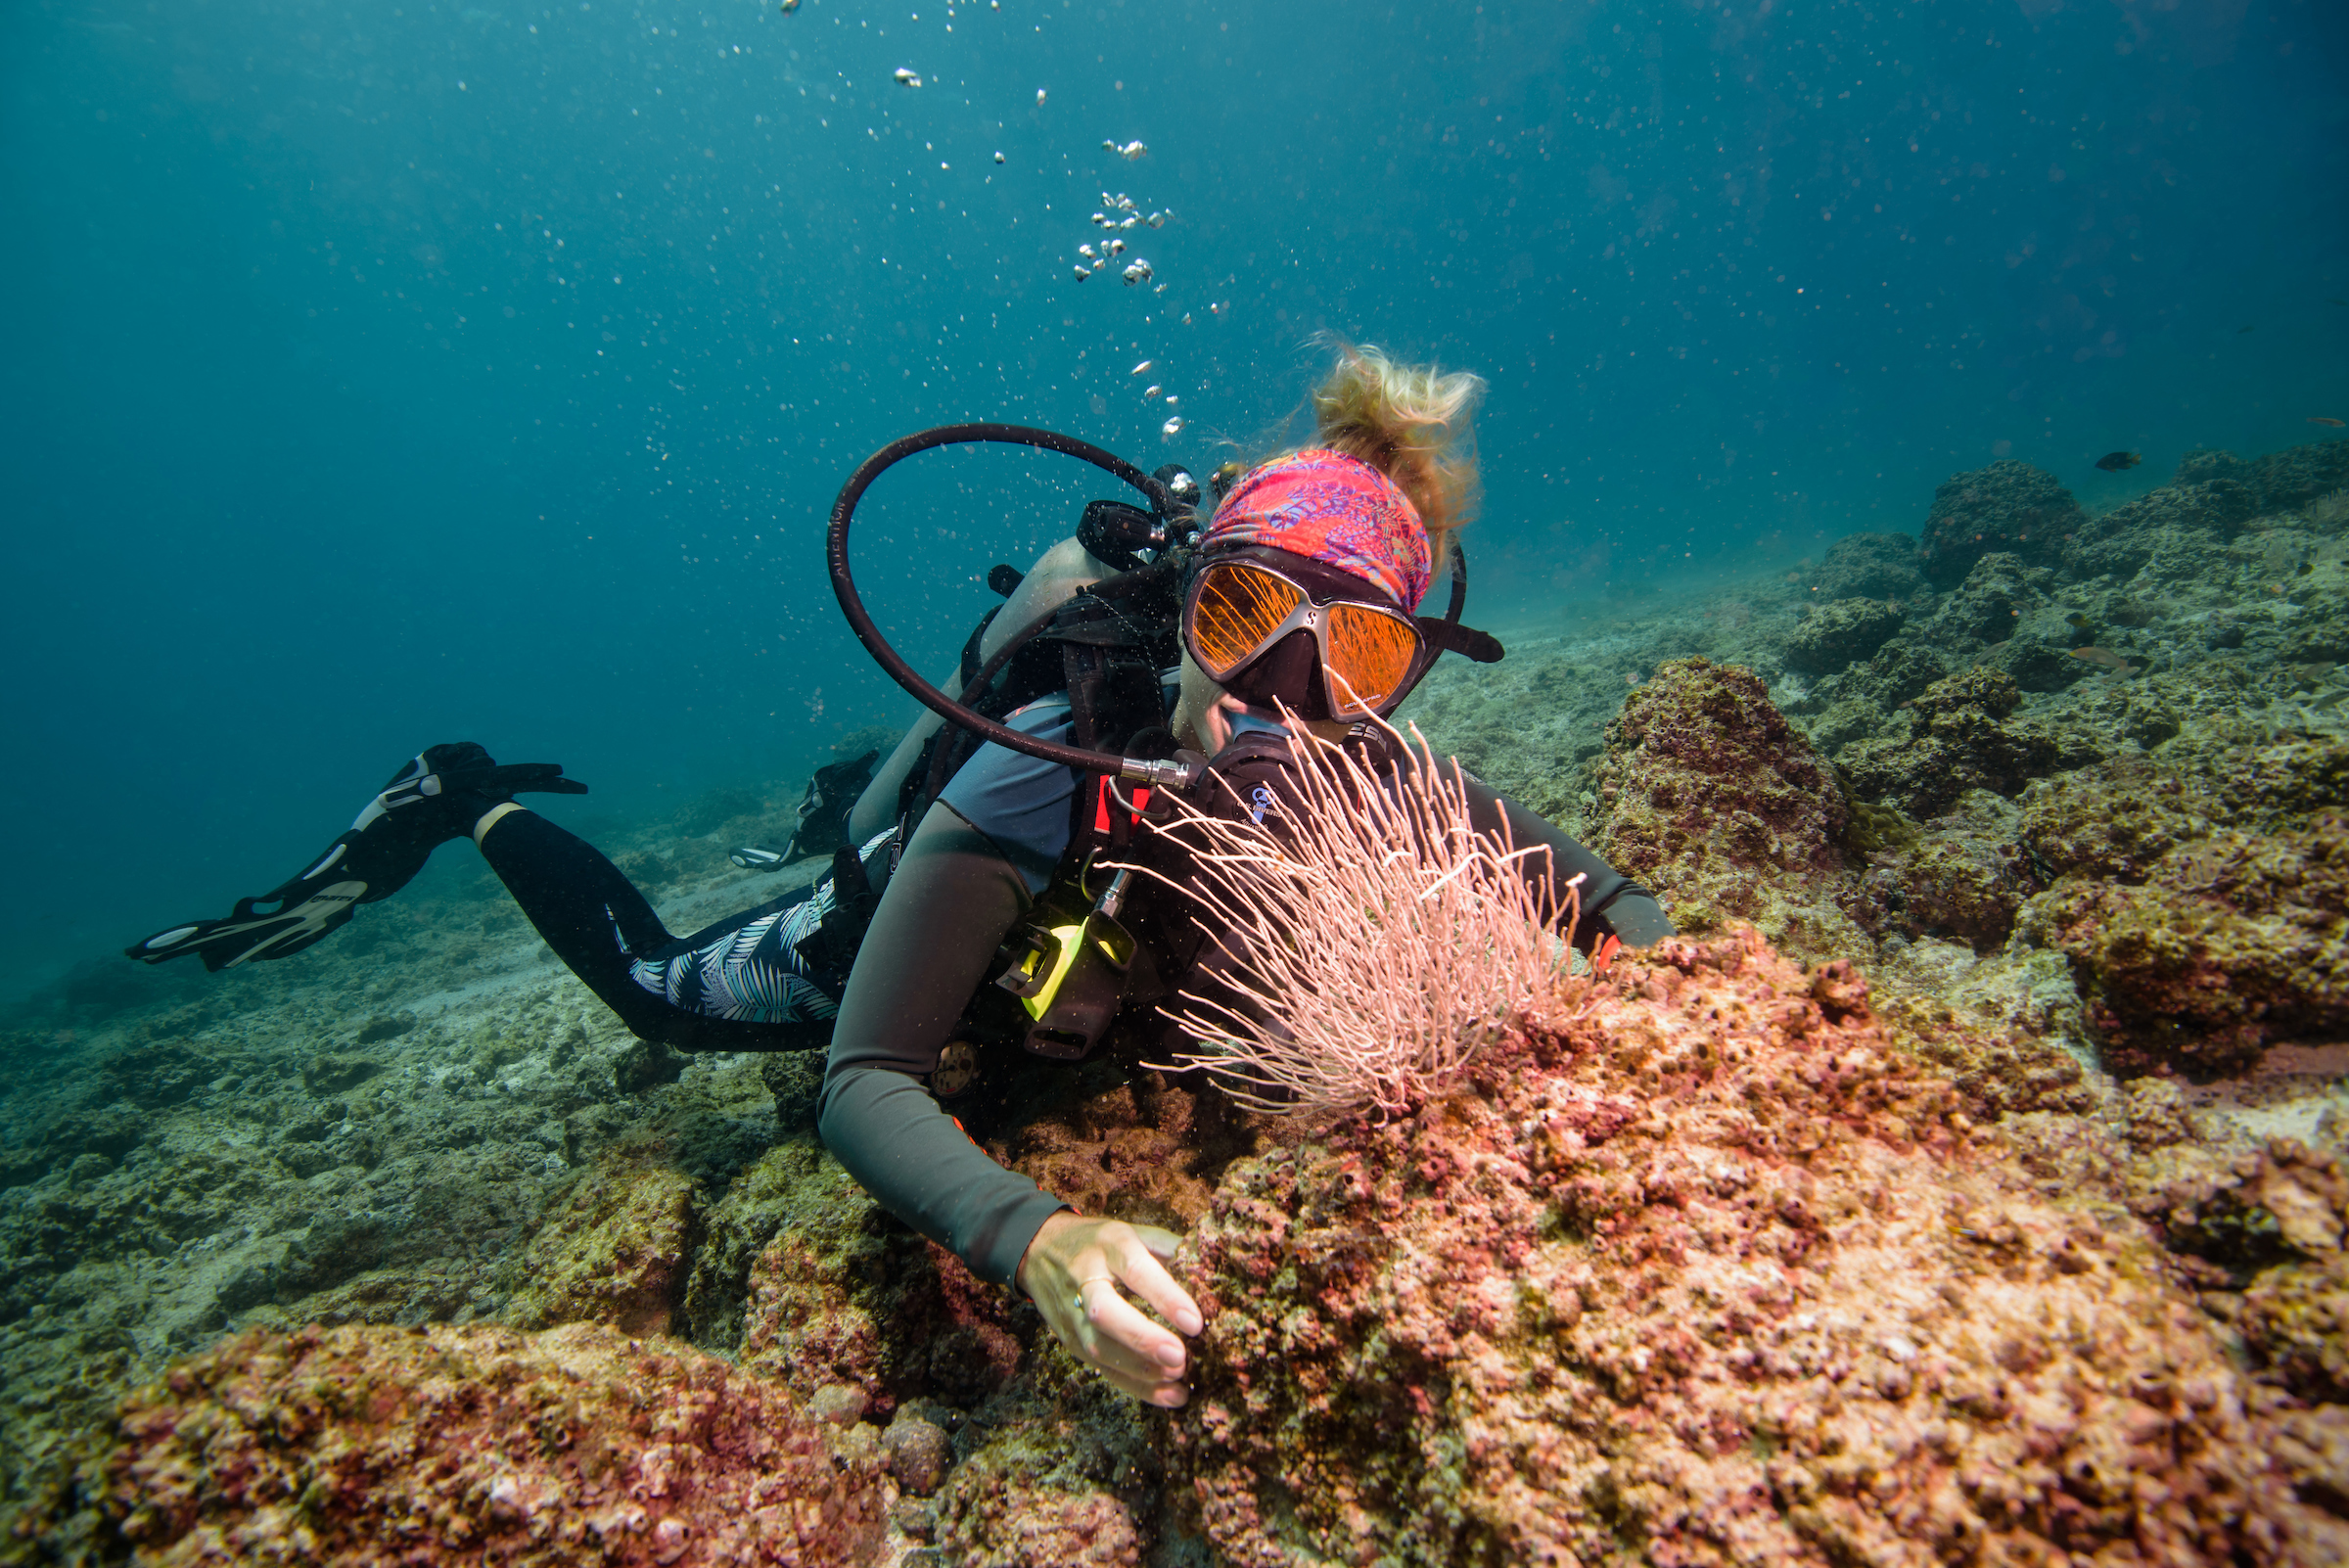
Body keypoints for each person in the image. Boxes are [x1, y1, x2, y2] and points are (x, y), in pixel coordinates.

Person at [128, 346, 1672, 1407]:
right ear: (1188, 597)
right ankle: (457, 798)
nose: (1280, 683)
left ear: (1405, 675)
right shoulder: (1041, 762)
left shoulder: (1366, 769)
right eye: (1246, 611)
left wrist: (1682, 1000)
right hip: (895, 944)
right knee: (661, 996)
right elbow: (869, 1076)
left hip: (1084, 996)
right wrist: (1037, 1237)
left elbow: (1600, 900)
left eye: (1359, 647)